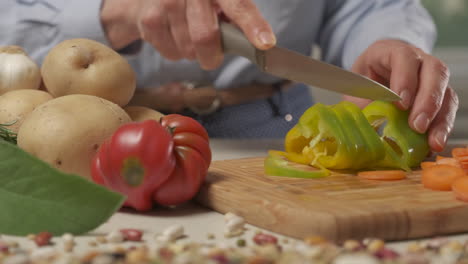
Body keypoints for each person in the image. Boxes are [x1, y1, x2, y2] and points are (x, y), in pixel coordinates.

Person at [1, 0, 458, 153]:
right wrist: (111, 12)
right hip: (69, 139)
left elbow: (368, 5)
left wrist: (383, 41)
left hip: (279, 134)